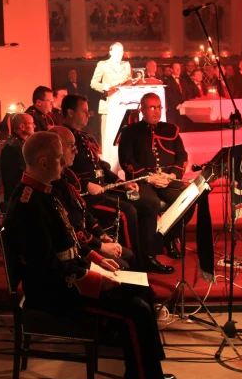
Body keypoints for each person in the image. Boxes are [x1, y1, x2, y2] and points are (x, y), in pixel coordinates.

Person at [3, 132, 181, 379]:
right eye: (60, 159)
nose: (64, 163)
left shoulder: (43, 190)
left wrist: (96, 257)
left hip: (68, 276)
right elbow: (46, 269)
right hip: (53, 292)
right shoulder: (28, 204)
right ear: (43, 161)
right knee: (135, 310)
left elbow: (67, 240)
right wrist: (96, 280)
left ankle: (150, 373)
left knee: (142, 291)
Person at [62, 95, 172, 274]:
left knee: (148, 203)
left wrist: (122, 183)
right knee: (127, 211)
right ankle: (133, 263)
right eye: (84, 111)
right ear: (70, 112)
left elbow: (102, 168)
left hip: (101, 192)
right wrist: (84, 185)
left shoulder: (84, 137)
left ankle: (148, 255)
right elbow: (61, 172)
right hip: (86, 198)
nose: (88, 115)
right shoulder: (61, 137)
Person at [49, 125, 134, 268]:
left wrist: (101, 235)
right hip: (72, 252)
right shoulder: (52, 185)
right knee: (122, 264)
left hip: (81, 242)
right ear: (57, 148)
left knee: (128, 255)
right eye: (71, 146)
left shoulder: (67, 176)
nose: (75, 150)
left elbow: (82, 209)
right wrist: (100, 247)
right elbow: (71, 229)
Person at [119, 93, 189, 262]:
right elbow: (126, 160)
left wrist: (172, 175)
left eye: (158, 107)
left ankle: (171, 239)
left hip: (167, 178)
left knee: (187, 200)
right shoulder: (130, 132)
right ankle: (149, 253)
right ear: (142, 110)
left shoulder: (171, 130)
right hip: (143, 180)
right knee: (151, 203)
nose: (156, 111)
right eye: (152, 107)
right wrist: (148, 178)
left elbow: (182, 156)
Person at [90, 42, 132, 167]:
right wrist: (105, 88)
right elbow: (93, 83)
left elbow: (129, 82)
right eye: (117, 51)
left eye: (122, 51)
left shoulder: (126, 65)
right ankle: (108, 167)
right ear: (111, 52)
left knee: (123, 137)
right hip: (108, 106)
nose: (120, 54)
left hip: (123, 106)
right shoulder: (103, 65)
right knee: (109, 139)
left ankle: (123, 163)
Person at [0, 113, 35, 202]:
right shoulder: (13, 146)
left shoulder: (21, 142)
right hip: (17, 193)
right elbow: (20, 173)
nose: (34, 126)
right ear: (22, 127)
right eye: (32, 123)